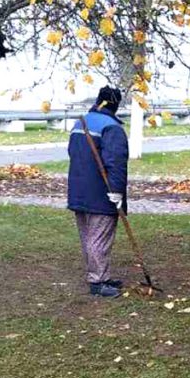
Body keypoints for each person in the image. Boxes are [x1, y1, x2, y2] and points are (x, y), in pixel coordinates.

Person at [67, 86, 129, 298]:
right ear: (116, 105)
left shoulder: (80, 123)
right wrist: (117, 191)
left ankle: (100, 275)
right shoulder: (112, 128)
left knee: (88, 237)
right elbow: (116, 163)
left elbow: (72, 154)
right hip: (102, 193)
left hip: (78, 191)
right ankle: (97, 282)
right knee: (99, 239)